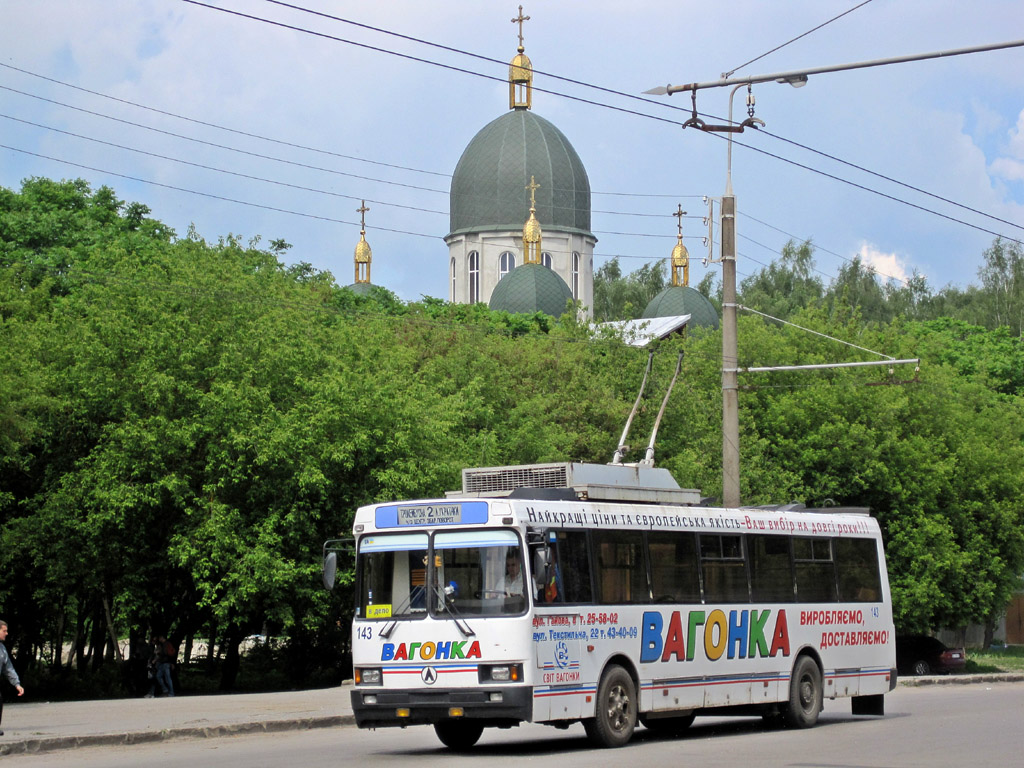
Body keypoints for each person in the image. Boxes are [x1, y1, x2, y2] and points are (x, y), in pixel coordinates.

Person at [0, 619, 25, 737]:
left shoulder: (2, 649)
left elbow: (8, 668)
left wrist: (17, 684)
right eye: (4, 631)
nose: (7, 633)